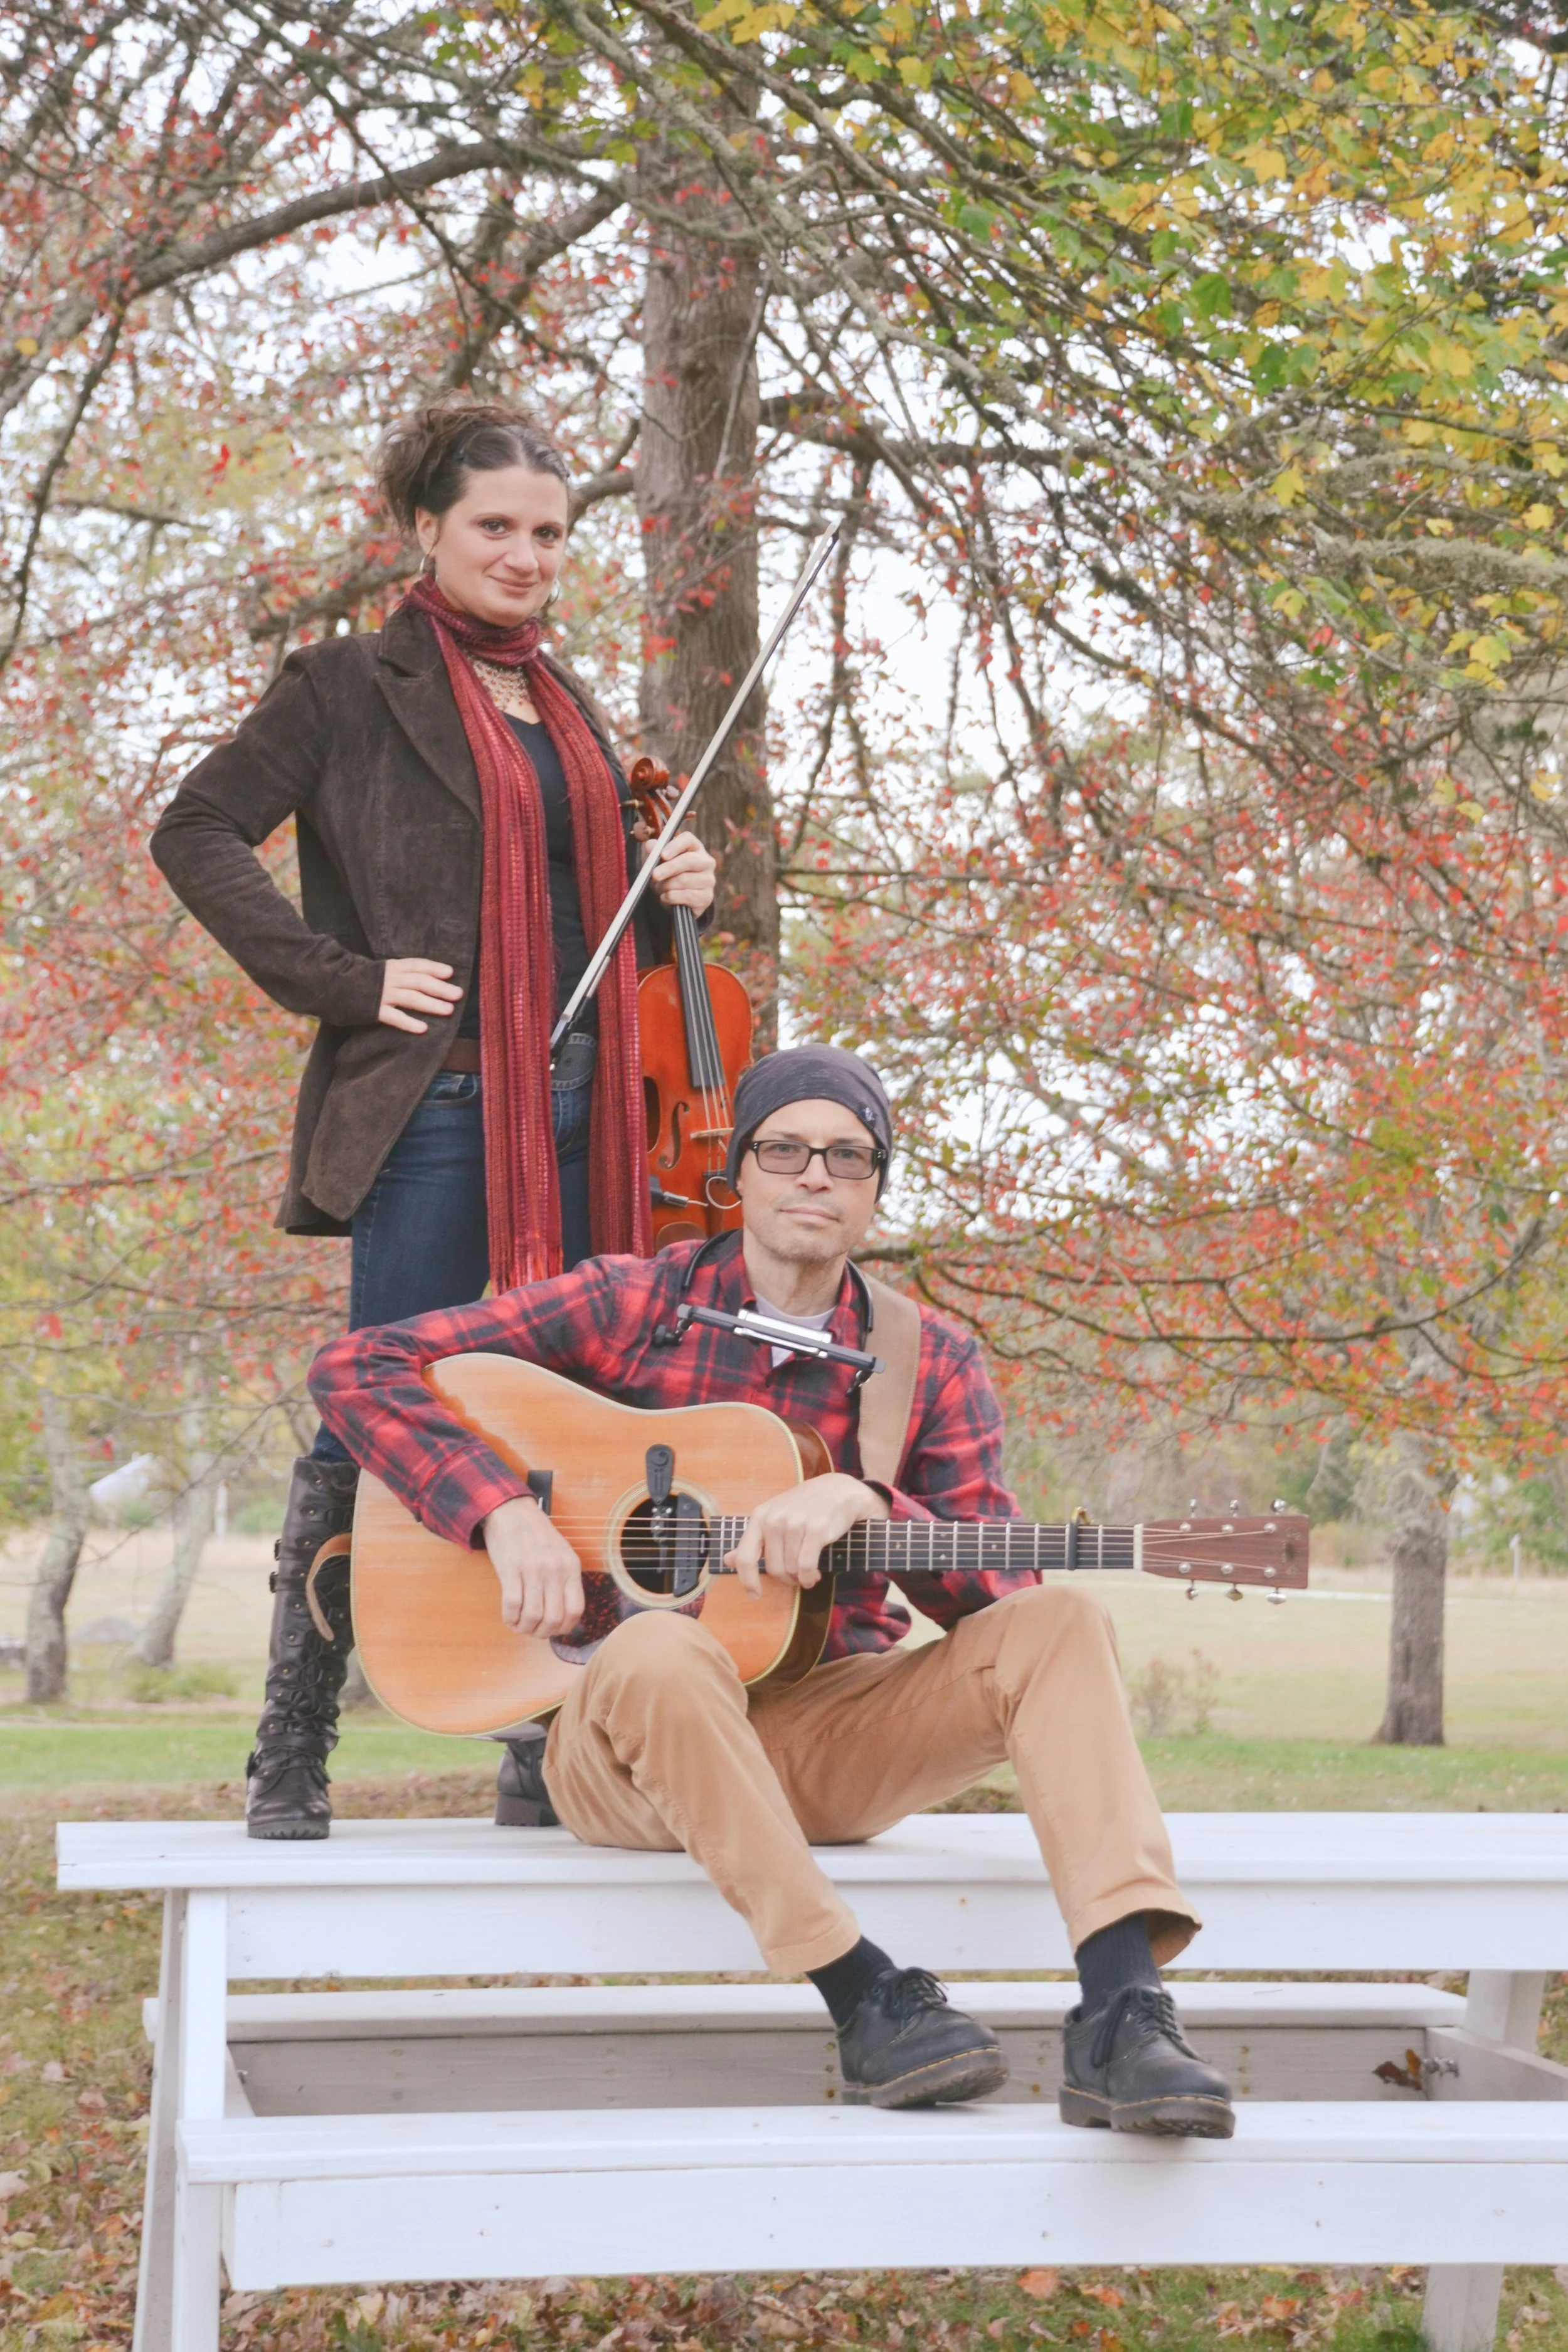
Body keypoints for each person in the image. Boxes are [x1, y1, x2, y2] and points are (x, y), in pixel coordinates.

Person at [309, 1042, 1236, 2137]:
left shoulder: (924, 1357)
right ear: (737, 1172)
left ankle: (1124, 2012)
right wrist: (500, 1509)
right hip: (626, 1755)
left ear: (876, 1189)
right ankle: (865, 1994)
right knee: (659, 1650)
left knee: (1065, 1618)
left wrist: (875, 1508)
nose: (815, 1175)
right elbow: (358, 1367)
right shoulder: (631, 1303)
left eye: (848, 1156)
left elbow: (998, 1603)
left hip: (821, 1736)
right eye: (785, 1147)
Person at [150, 395, 716, 1841]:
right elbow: (194, 829)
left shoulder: (576, 707)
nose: (525, 557)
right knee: (373, 1397)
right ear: (428, 531)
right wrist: (339, 981)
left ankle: (540, 1731)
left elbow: (588, 927)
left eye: (547, 533)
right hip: (442, 1108)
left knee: (577, 1422)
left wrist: (672, 898)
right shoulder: (349, 684)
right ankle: (294, 1738)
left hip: (589, 1117)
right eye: (495, 529)